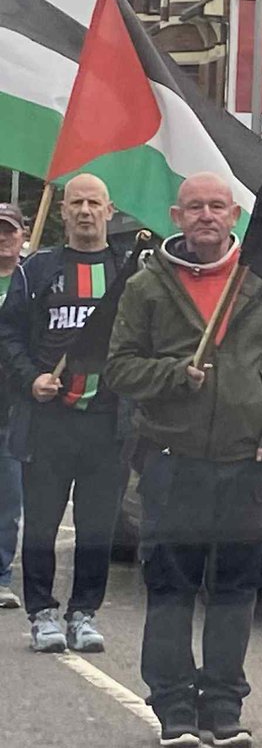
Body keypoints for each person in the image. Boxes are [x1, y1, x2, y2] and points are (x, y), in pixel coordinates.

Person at [106, 172, 262, 748]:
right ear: (176, 217)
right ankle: (174, 707)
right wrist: (175, 375)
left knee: (235, 593)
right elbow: (120, 368)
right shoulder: (147, 285)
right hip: (171, 463)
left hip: (248, 467)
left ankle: (224, 706)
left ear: (233, 217)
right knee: (171, 591)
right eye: (195, 206)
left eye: (217, 206)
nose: (206, 215)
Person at [0, 175, 127, 653]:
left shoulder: (128, 270)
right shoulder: (37, 269)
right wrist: (31, 377)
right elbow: (8, 333)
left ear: (109, 210)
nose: (85, 211)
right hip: (48, 421)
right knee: (41, 525)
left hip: (108, 422)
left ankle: (84, 613)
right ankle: (42, 613)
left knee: (97, 528)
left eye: (94, 202)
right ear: (63, 212)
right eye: (77, 203)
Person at [0, 203, 27, 611]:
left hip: (12, 406)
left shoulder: (31, 281)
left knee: (8, 496)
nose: (2, 237)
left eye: (9, 230)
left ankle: (1, 573)